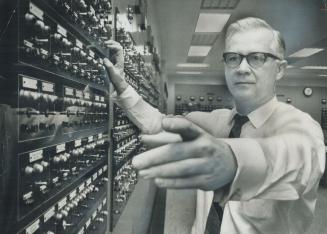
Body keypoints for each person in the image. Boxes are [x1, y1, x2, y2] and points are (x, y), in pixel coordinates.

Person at [103, 17, 325, 234]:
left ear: (280, 69)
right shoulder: (215, 121)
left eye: (257, 57)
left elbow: (301, 158)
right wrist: (122, 86)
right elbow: (157, 122)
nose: (242, 68)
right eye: (233, 58)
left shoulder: (302, 127)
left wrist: (234, 161)